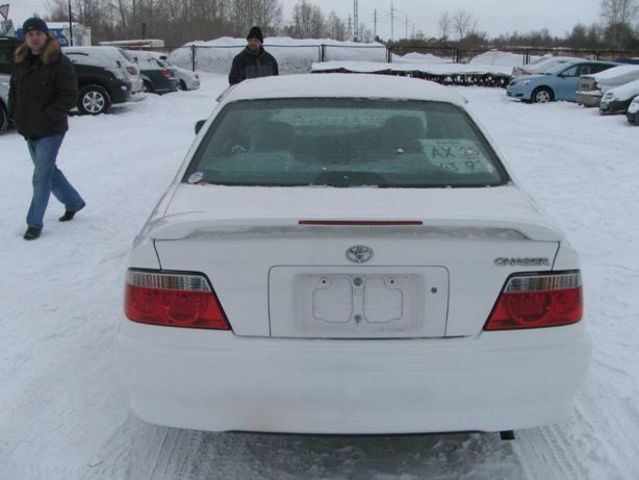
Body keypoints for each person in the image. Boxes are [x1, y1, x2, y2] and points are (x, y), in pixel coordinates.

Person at [9, 17, 85, 241]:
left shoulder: (60, 63)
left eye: (38, 34)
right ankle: (74, 202)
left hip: (51, 129)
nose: (34, 38)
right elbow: (14, 89)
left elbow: (69, 96)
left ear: (46, 36)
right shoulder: (21, 61)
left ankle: (34, 223)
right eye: (30, 34)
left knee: (40, 176)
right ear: (26, 38)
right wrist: (15, 113)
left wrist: (47, 116)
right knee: (48, 171)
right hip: (28, 128)